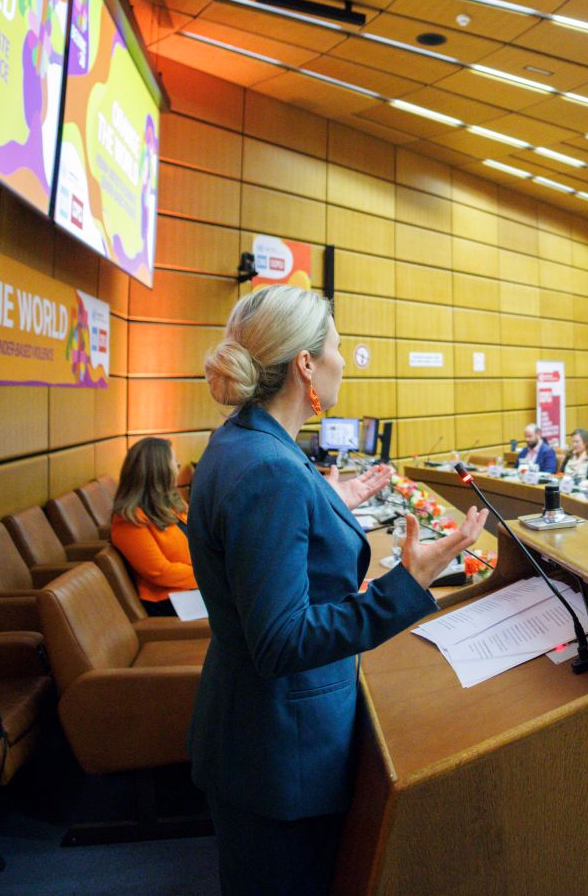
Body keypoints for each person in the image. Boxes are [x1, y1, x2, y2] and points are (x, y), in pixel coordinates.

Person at [190, 286, 485, 894]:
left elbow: (272, 535)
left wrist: (331, 501)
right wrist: (409, 583)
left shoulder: (246, 440)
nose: (344, 360)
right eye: (339, 347)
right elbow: (281, 640)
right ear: (305, 363)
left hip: (255, 735)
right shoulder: (272, 470)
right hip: (281, 751)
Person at [110, 437, 196, 617]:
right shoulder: (130, 520)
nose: (178, 466)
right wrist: (211, 576)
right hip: (171, 599)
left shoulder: (171, 504)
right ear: (158, 471)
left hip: (193, 587)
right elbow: (159, 572)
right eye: (174, 462)